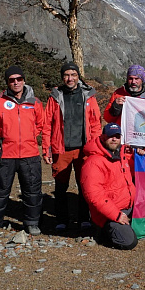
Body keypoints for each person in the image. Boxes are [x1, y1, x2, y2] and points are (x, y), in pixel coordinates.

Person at [0, 65, 44, 240]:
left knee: (33, 190)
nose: (16, 82)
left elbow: (41, 124)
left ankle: (32, 223)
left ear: (24, 80)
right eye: (12, 80)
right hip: (5, 154)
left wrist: (28, 137)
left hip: (30, 154)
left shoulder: (35, 102)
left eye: (19, 79)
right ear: (7, 82)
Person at [41, 62, 102, 232]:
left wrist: (96, 148)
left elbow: (95, 123)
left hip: (84, 149)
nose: (70, 78)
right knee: (61, 187)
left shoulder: (88, 95)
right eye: (67, 75)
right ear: (62, 77)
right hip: (61, 149)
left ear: (78, 76)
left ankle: (84, 218)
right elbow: (47, 124)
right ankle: (61, 219)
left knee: (84, 185)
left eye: (73, 75)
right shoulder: (55, 96)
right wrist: (46, 148)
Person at [80, 123, 137, 250]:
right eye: (111, 136)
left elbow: (135, 173)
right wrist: (116, 215)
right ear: (103, 137)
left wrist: (138, 155)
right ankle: (103, 230)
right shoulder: (93, 162)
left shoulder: (121, 155)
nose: (114, 139)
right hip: (110, 213)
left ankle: (125, 223)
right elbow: (94, 196)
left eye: (117, 136)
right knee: (129, 241)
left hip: (127, 206)